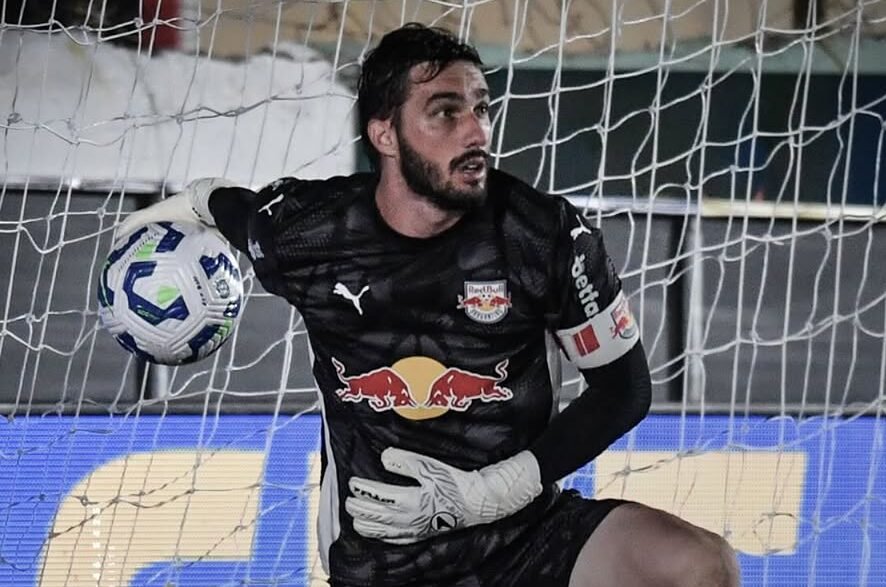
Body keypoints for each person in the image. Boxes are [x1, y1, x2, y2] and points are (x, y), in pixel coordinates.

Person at [118, 23, 740, 587]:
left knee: (701, 565)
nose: (476, 132)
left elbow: (624, 389)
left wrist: (495, 491)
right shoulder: (310, 232)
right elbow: (240, 212)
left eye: (481, 108)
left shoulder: (544, 234)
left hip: (526, 535)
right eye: (445, 112)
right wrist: (197, 200)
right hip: (383, 562)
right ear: (384, 134)